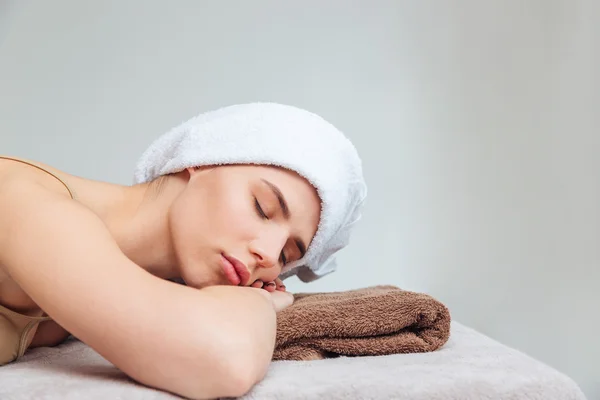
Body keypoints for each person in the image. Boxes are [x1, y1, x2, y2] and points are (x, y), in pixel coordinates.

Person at [0, 102, 367, 399]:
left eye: (288, 255)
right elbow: (224, 358)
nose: (269, 257)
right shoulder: (24, 200)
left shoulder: (90, 284)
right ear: (204, 159)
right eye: (262, 207)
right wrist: (259, 302)